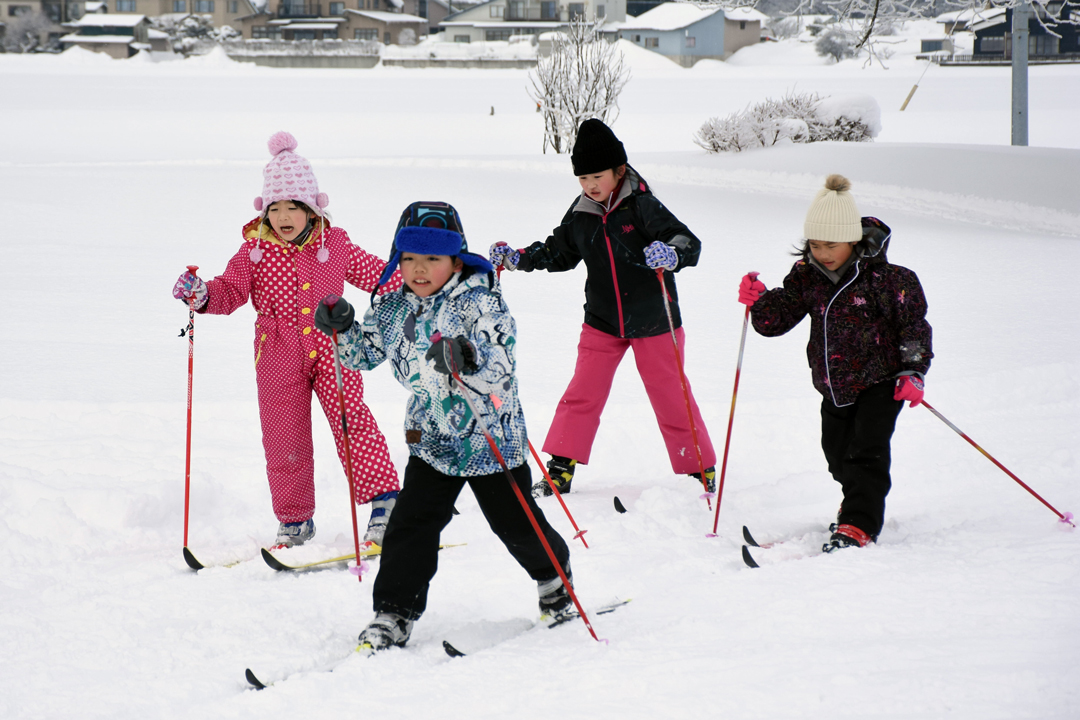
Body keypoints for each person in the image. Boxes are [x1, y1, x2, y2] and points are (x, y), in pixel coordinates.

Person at [315, 201, 572, 653]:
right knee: (410, 527)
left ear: (457, 259)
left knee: (516, 524)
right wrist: (344, 331)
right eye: (410, 258)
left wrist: (467, 356)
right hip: (431, 440)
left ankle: (554, 581)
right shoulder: (392, 307)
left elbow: (502, 364)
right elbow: (363, 355)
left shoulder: (481, 302)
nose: (418, 269)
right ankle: (393, 611)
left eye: (432, 258)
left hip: (490, 439)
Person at [171, 131, 401, 550]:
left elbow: (378, 275)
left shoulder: (336, 244)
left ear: (312, 208)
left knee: (353, 423)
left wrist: (423, 280)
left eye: (293, 206)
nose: (284, 215)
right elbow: (228, 291)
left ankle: (384, 503)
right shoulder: (254, 252)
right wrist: (201, 294)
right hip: (276, 351)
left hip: (334, 346)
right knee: (283, 436)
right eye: (275, 207)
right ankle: (295, 520)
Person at [489, 118, 716, 498]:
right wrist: (518, 258)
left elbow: (686, 240)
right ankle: (561, 466)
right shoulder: (583, 213)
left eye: (597, 176)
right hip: (602, 320)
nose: (590, 185)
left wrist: (671, 252)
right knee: (583, 392)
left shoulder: (642, 206)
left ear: (619, 170)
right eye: (582, 178)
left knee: (671, 394)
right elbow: (558, 251)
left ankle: (699, 468)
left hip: (654, 319)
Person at [738, 174, 932, 552]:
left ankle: (859, 523)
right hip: (834, 384)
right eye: (814, 244)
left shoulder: (890, 280)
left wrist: (914, 370)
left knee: (866, 453)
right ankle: (854, 504)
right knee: (838, 457)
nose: (822, 253)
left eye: (831, 244)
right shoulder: (807, 277)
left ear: (853, 240)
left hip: (882, 381)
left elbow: (914, 327)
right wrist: (759, 301)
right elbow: (775, 322)